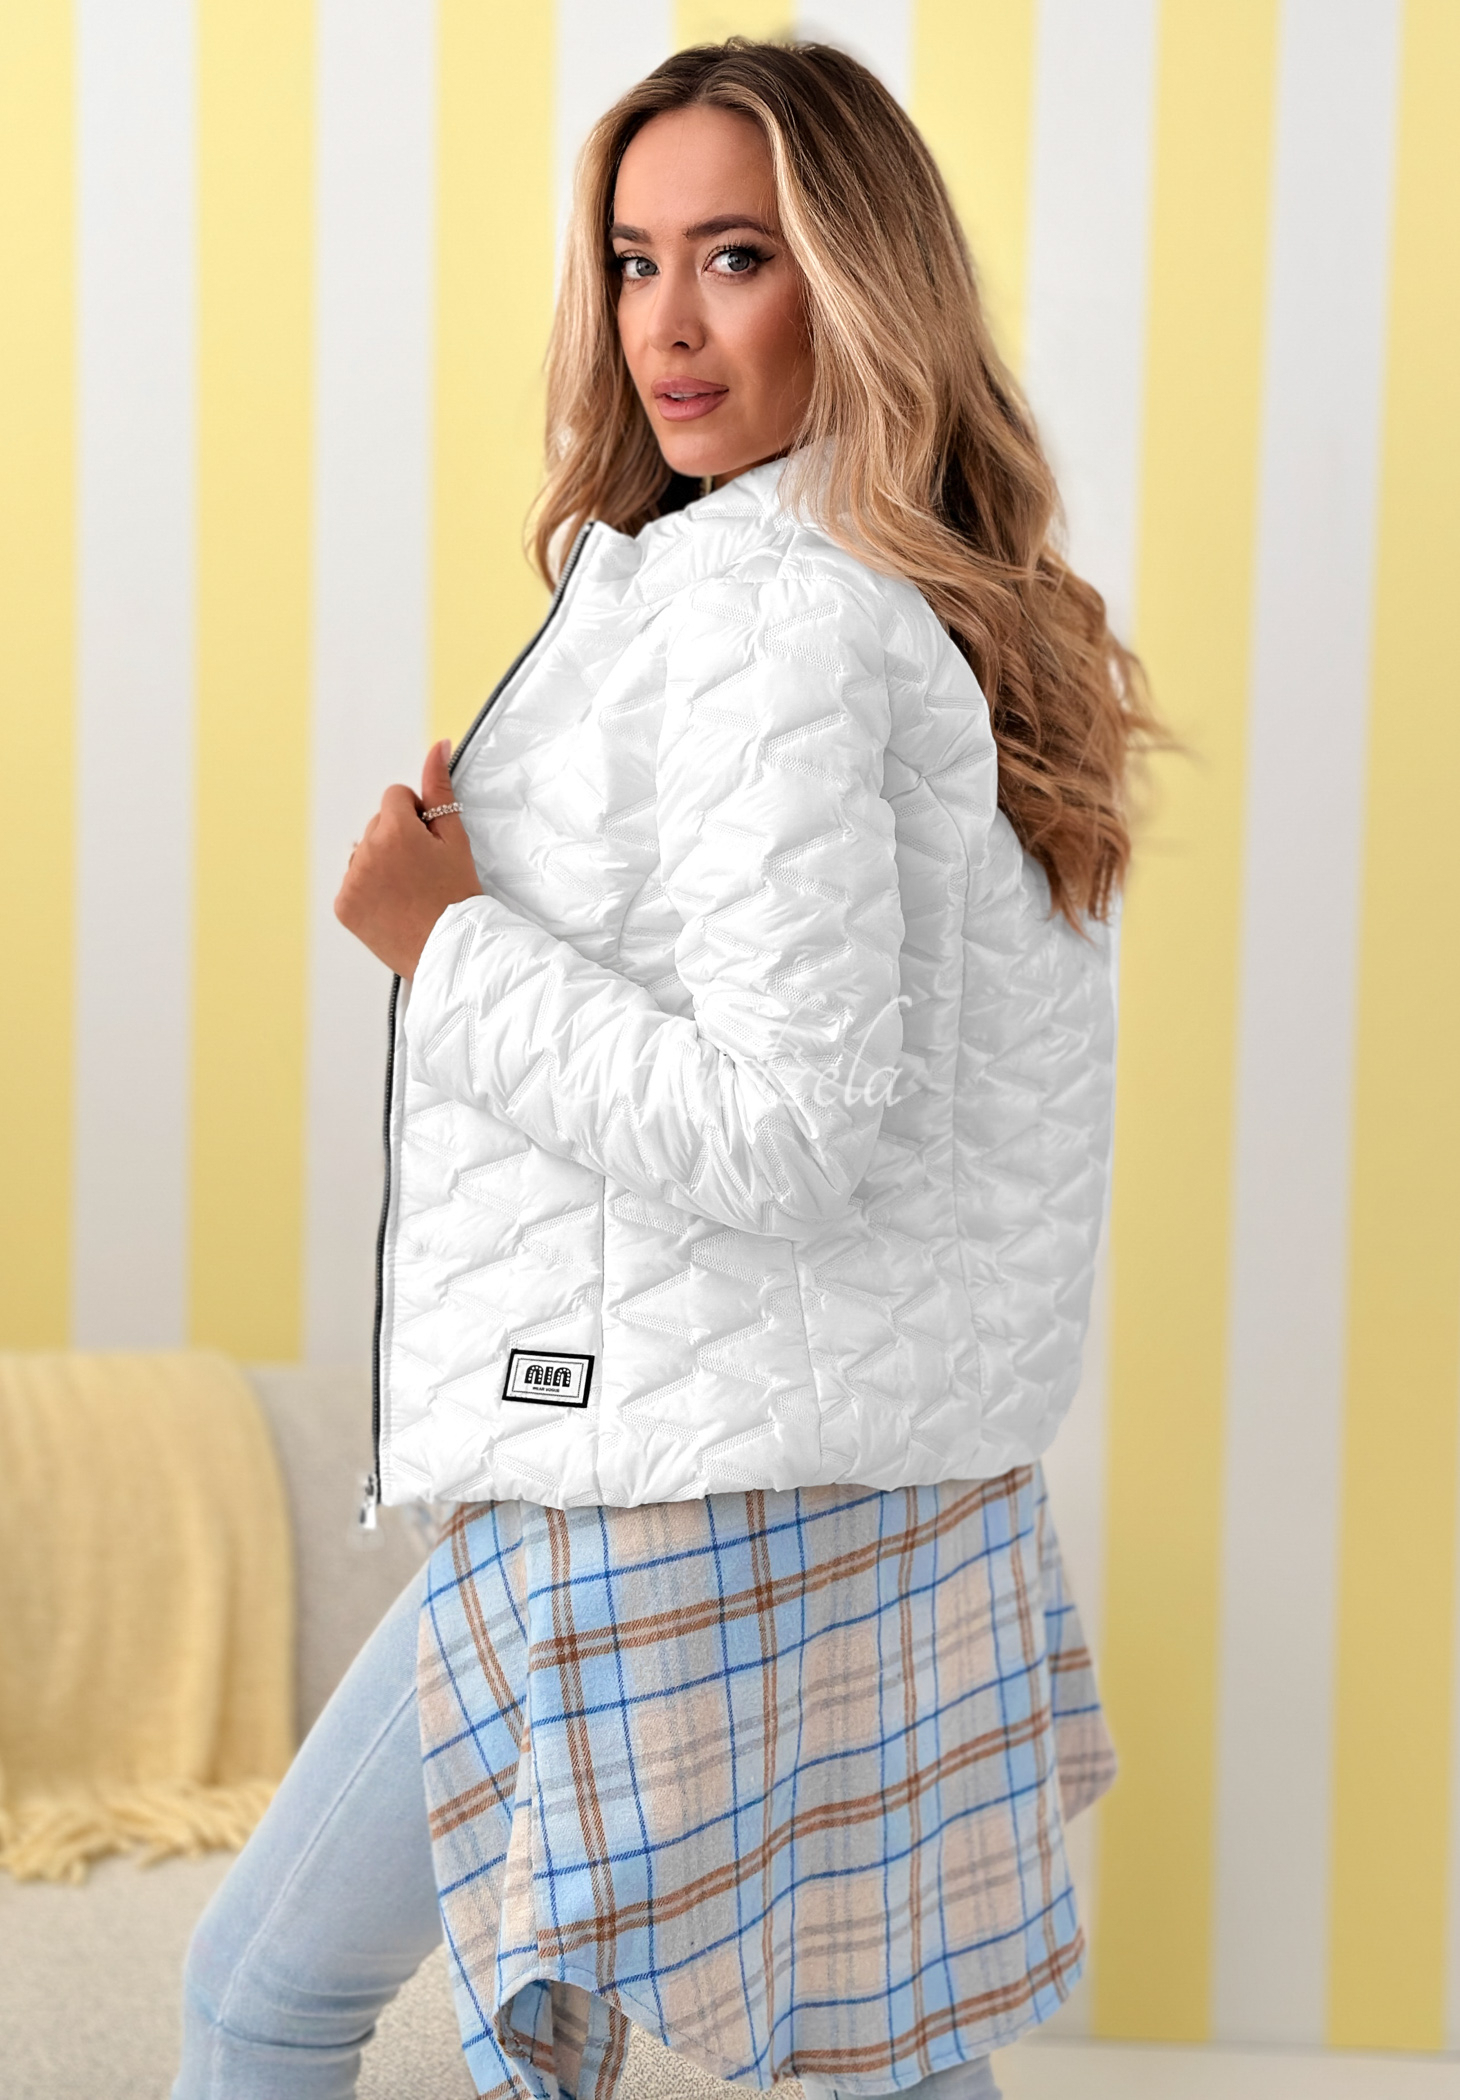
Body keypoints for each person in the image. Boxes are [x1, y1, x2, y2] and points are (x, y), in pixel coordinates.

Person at [175, 38, 1154, 2100]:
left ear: (859, 284)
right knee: (885, 2050)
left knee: (261, 1995)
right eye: (634, 262)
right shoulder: (912, 600)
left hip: (670, 1478)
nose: (668, 325)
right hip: (870, 1463)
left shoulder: (771, 618)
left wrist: (444, 941)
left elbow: (784, 1128)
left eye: (735, 256)